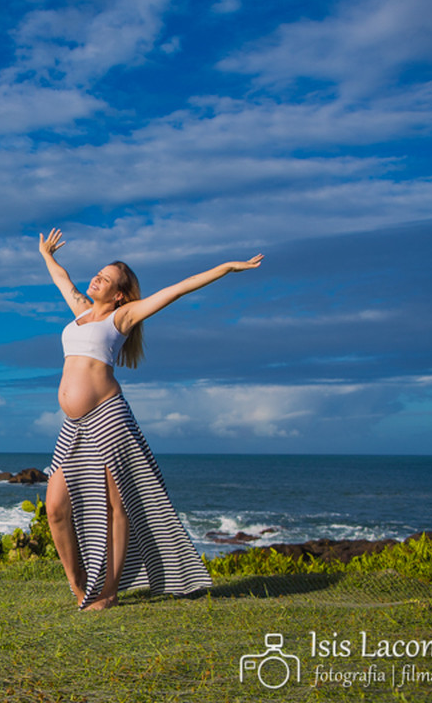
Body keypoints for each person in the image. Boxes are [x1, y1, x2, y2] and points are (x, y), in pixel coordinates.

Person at [38, 228, 263, 610]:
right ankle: (79, 587)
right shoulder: (80, 313)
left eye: (106, 279)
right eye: (98, 273)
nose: (97, 279)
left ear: (120, 294)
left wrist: (226, 267)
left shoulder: (122, 318)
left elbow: (177, 289)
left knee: (116, 505)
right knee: (56, 506)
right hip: (73, 426)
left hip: (107, 417)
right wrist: (47, 254)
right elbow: (62, 277)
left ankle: (107, 592)